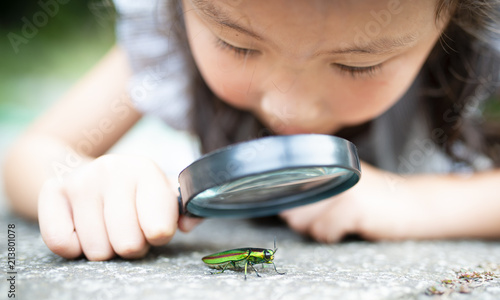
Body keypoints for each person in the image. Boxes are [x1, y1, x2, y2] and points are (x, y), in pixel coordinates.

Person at [3, 0, 500, 261]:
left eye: (356, 64)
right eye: (237, 45)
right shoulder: (165, 48)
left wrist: (419, 202)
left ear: (454, 20)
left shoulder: (482, 52)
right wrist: (93, 188)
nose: (287, 104)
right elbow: (31, 152)